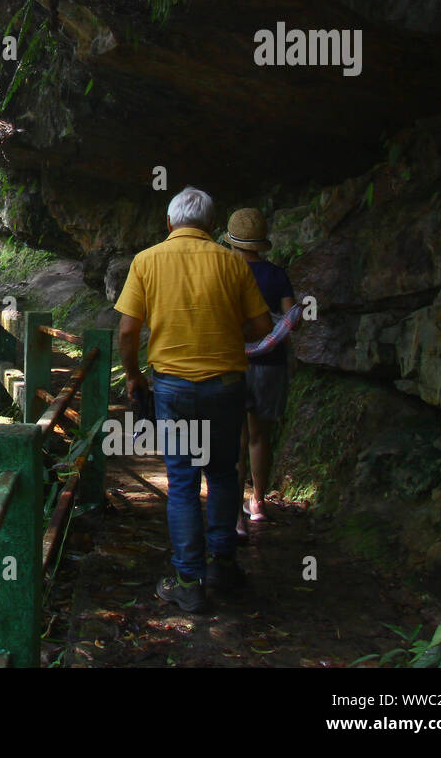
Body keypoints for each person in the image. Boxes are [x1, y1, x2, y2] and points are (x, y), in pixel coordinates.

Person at [114, 187, 272, 613]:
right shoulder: (233, 263)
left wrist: (133, 377)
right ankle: (222, 564)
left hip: (174, 387)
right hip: (226, 384)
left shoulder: (146, 261)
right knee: (222, 473)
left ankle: (188, 580)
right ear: (210, 225)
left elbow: (128, 332)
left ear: (170, 223)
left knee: (183, 482)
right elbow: (262, 325)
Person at [225, 209, 297, 538]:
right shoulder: (277, 275)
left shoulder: (225, 270)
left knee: (236, 440)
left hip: (232, 363)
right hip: (270, 363)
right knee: (259, 437)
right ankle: (258, 503)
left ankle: (235, 516)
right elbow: (290, 317)